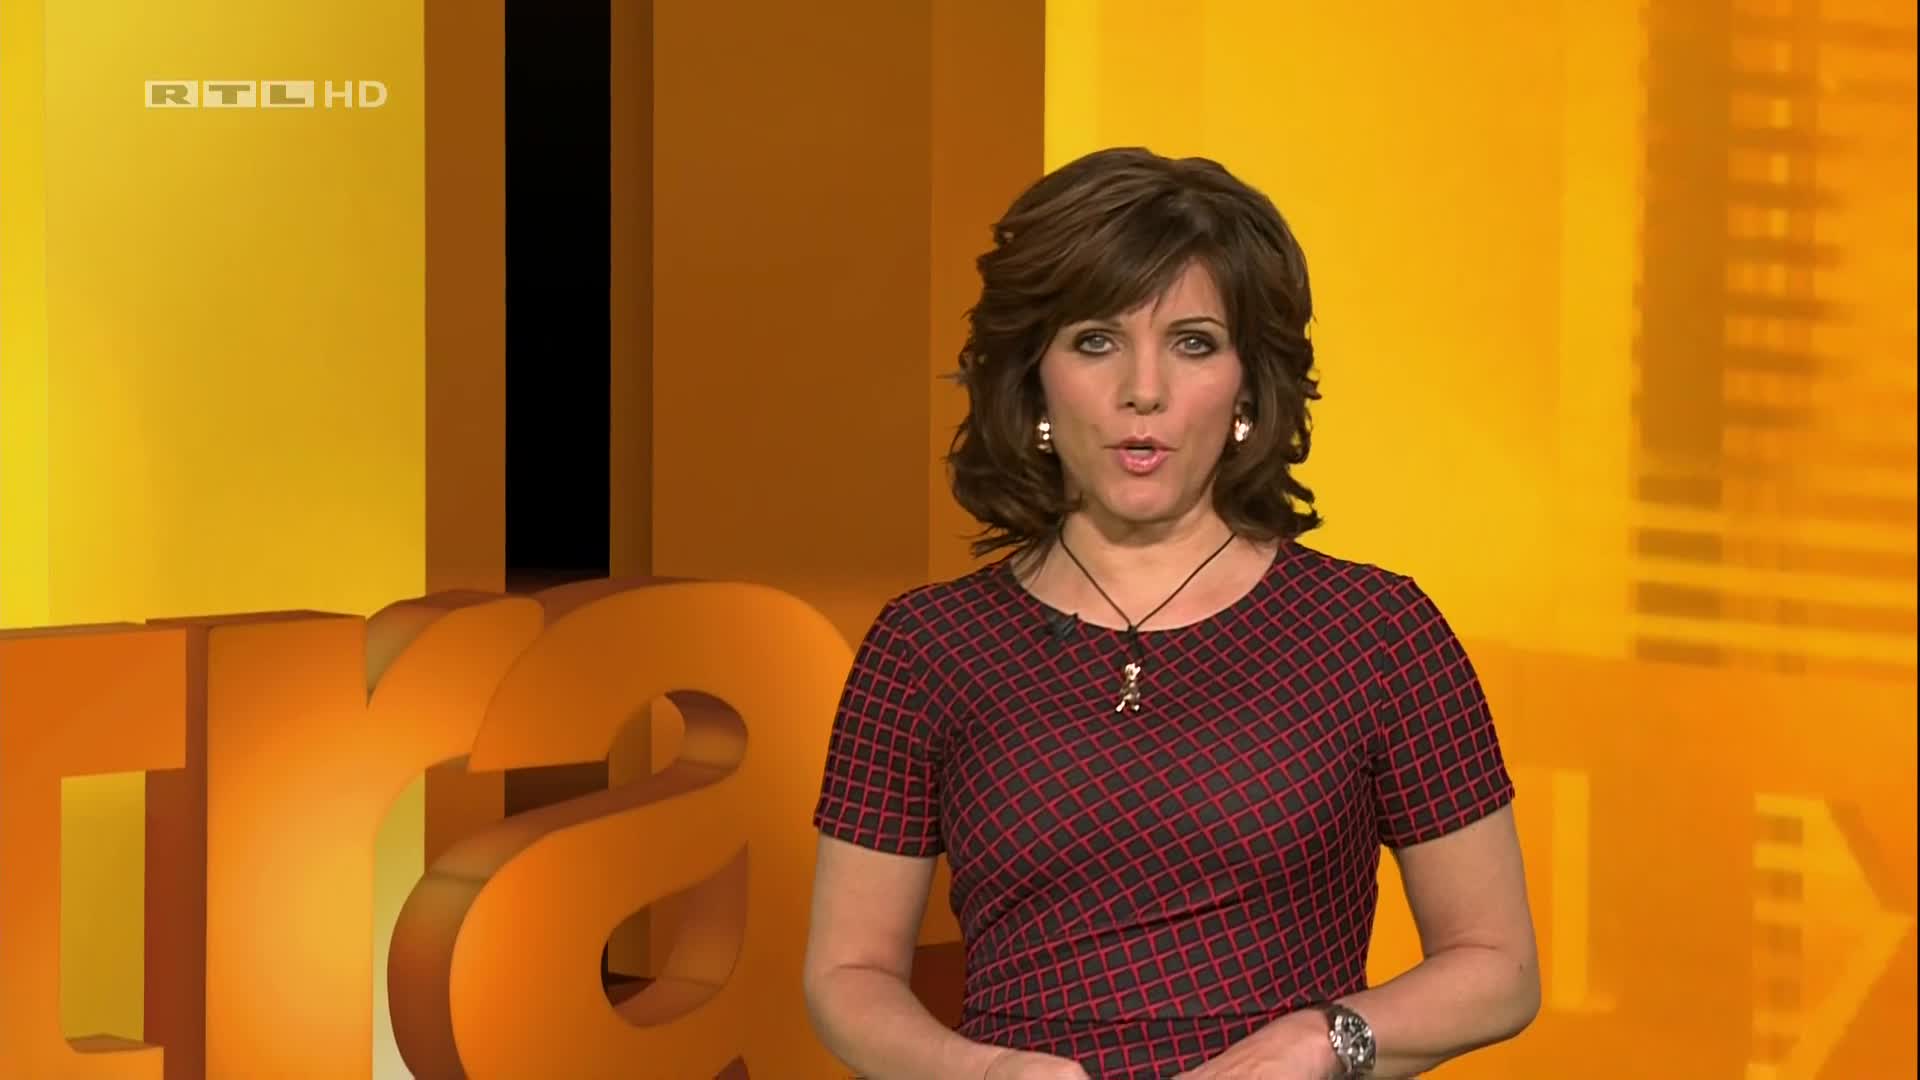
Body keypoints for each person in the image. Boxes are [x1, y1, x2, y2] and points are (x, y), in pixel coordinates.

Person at [802, 147, 1538, 1079]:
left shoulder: (1374, 631)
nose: (1142, 390)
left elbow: (1499, 966)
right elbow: (848, 973)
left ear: (1247, 386)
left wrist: (1324, 1042)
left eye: (1192, 342)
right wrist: (980, 1074)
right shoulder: (927, 648)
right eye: (1095, 341)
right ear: (1033, 377)